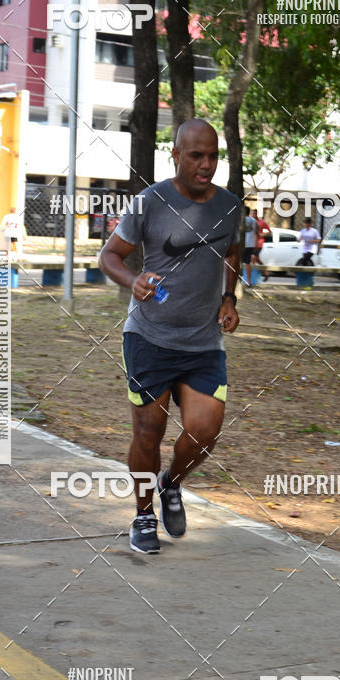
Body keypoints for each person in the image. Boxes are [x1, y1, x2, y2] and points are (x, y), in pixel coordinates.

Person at [99, 119, 241, 554]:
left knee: (205, 430)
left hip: (202, 342)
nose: (206, 164)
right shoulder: (150, 202)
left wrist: (229, 298)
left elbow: (232, 252)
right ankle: (143, 516)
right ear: (175, 155)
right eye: (196, 155)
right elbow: (109, 256)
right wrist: (132, 280)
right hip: (149, 336)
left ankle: (170, 483)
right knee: (149, 429)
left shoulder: (231, 206)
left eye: (213, 156)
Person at [253, 211, 271, 281]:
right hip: (252, 243)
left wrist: (262, 235)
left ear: (257, 214)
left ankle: (252, 277)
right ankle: (266, 273)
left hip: (259, 243)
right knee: (257, 260)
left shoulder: (262, 222)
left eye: (254, 213)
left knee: (253, 258)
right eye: (252, 213)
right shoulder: (250, 221)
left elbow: (269, 231)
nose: (253, 215)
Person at [242, 207, 258, 285]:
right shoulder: (254, 221)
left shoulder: (240, 220)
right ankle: (248, 281)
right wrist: (256, 242)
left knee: (237, 261)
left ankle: (239, 280)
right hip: (250, 244)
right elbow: (256, 233)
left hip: (241, 243)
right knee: (247, 262)